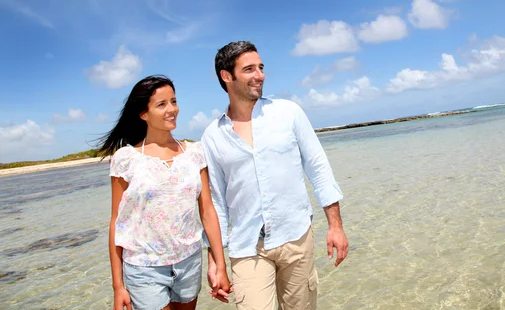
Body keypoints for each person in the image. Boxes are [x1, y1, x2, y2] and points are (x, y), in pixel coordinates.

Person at [201, 41, 349, 310]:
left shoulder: (288, 113)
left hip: (296, 238)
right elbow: (216, 204)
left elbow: (319, 169)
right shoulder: (212, 136)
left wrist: (335, 226)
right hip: (248, 248)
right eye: (249, 69)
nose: (260, 75)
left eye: (261, 67)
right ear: (226, 76)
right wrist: (215, 261)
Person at [99, 75, 232, 310]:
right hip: (143, 267)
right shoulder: (126, 159)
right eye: (161, 104)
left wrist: (220, 264)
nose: (172, 110)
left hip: (188, 262)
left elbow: (208, 211)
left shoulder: (194, 153)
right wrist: (118, 286)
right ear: (143, 114)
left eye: (174, 101)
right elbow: (116, 223)